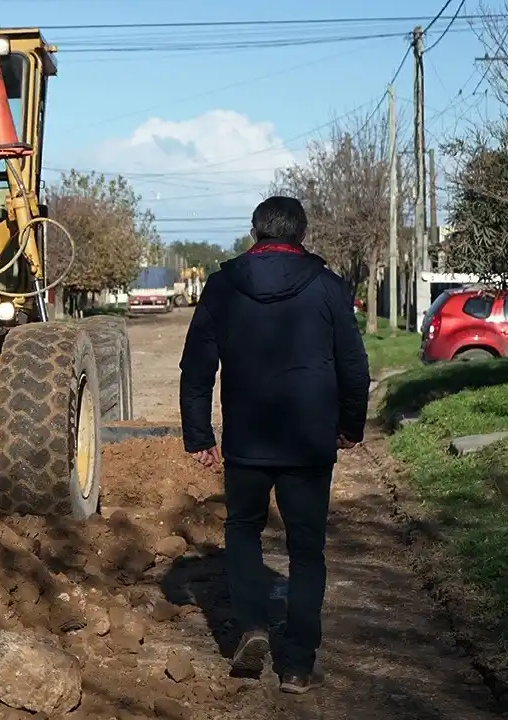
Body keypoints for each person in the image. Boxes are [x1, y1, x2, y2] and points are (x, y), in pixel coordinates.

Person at [178, 195, 370, 695]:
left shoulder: (222, 287)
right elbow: (354, 365)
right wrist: (352, 426)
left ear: (254, 231)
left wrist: (200, 435)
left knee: (242, 531)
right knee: (306, 550)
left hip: (247, 440)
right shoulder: (328, 287)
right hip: (309, 442)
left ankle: (253, 627)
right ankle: (298, 666)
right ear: (301, 233)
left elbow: (197, 367)